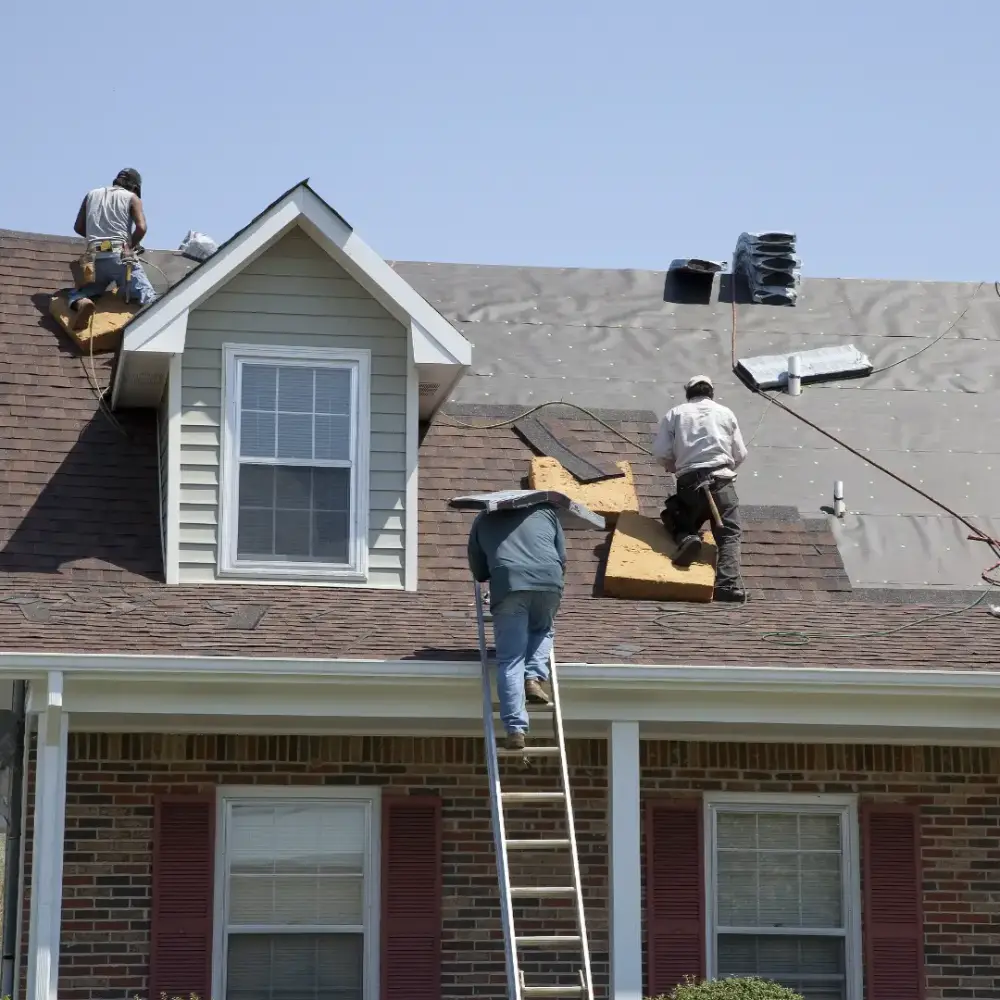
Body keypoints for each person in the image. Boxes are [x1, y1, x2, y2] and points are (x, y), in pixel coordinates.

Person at [467, 504, 567, 751]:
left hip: (509, 583)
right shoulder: (545, 512)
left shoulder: (484, 517)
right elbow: (562, 557)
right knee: (542, 629)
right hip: (549, 579)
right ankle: (533, 677)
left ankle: (515, 729)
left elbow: (479, 570)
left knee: (511, 659)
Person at [652, 375, 748, 602]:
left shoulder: (675, 414)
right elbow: (740, 454)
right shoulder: (725, 413)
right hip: (721, 481)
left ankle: (687, 537)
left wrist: (673, 466)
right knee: (729, 533)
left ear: (688, 393)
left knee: (676, 515)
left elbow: (661, 453)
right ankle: (727, 585)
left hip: (690, 483)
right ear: (711, 393)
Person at [64, 168, 157, 330]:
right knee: (148, 296)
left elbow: (78, 227)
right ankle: (149, 331)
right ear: (135, 187)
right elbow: (141, 228)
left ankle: (82, 302)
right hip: (118, 256)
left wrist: (97, 237)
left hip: (94, 258)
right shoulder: (132, 198)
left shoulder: (91, 194)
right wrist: (130, 246)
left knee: (85, 291)